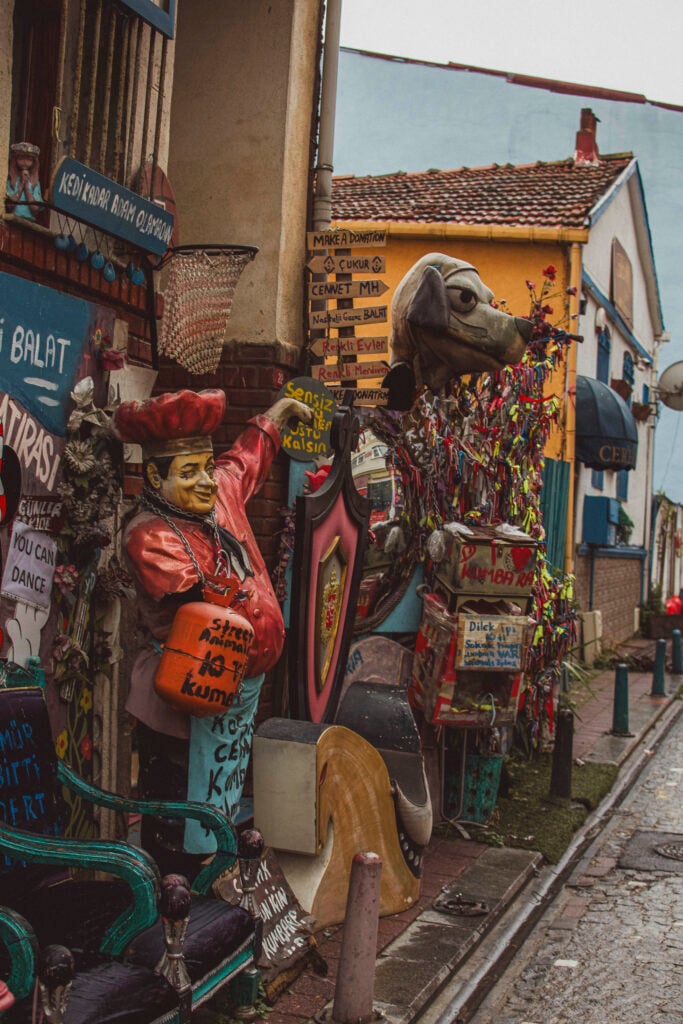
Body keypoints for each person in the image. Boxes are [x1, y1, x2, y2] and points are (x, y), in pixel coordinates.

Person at [112, 388, 310, 875]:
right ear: (154, 476)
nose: (205, 482)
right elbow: (204, 615)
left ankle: (210, 883)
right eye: (188, 472)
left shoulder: (215, 496)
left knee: (219, 798)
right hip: (185, 698)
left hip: (235, 696)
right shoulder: (150, 535)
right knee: (181, 812)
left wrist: (277, 413)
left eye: (205, 466)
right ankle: (174, 909)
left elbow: (244, 462)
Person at [6, 141, 42, 220]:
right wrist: (21, 185)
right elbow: (9, 206)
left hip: (29, 221)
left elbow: (35, 208)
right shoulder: (11, 180)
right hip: (13, 219)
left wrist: (27, 188)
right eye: (21, 158)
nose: (25, 162)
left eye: (29, 159)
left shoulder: (35, 183)